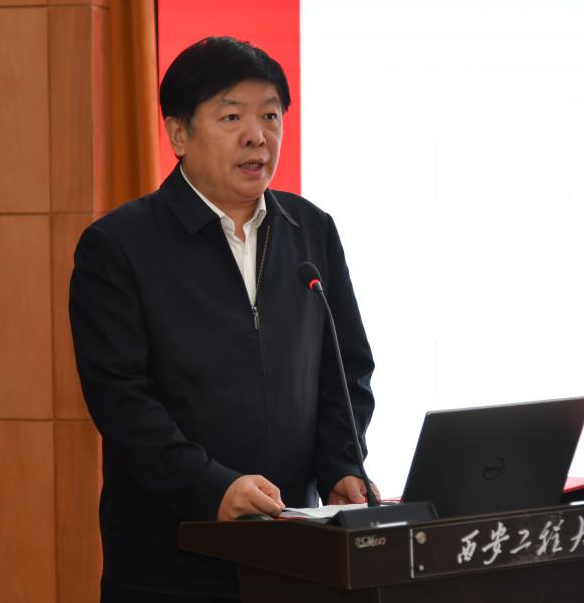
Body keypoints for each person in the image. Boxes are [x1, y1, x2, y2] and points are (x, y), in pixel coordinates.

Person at [69, 36, 378, 603]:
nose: (257, 135)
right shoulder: (119, 246)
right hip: (171, 564)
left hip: (294, 554)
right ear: (178, 134)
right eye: (232, 116)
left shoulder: (312, 230)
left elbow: (346, 371)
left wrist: (340, 464)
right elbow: (121, 400)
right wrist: (212, 487)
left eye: (270, 116)